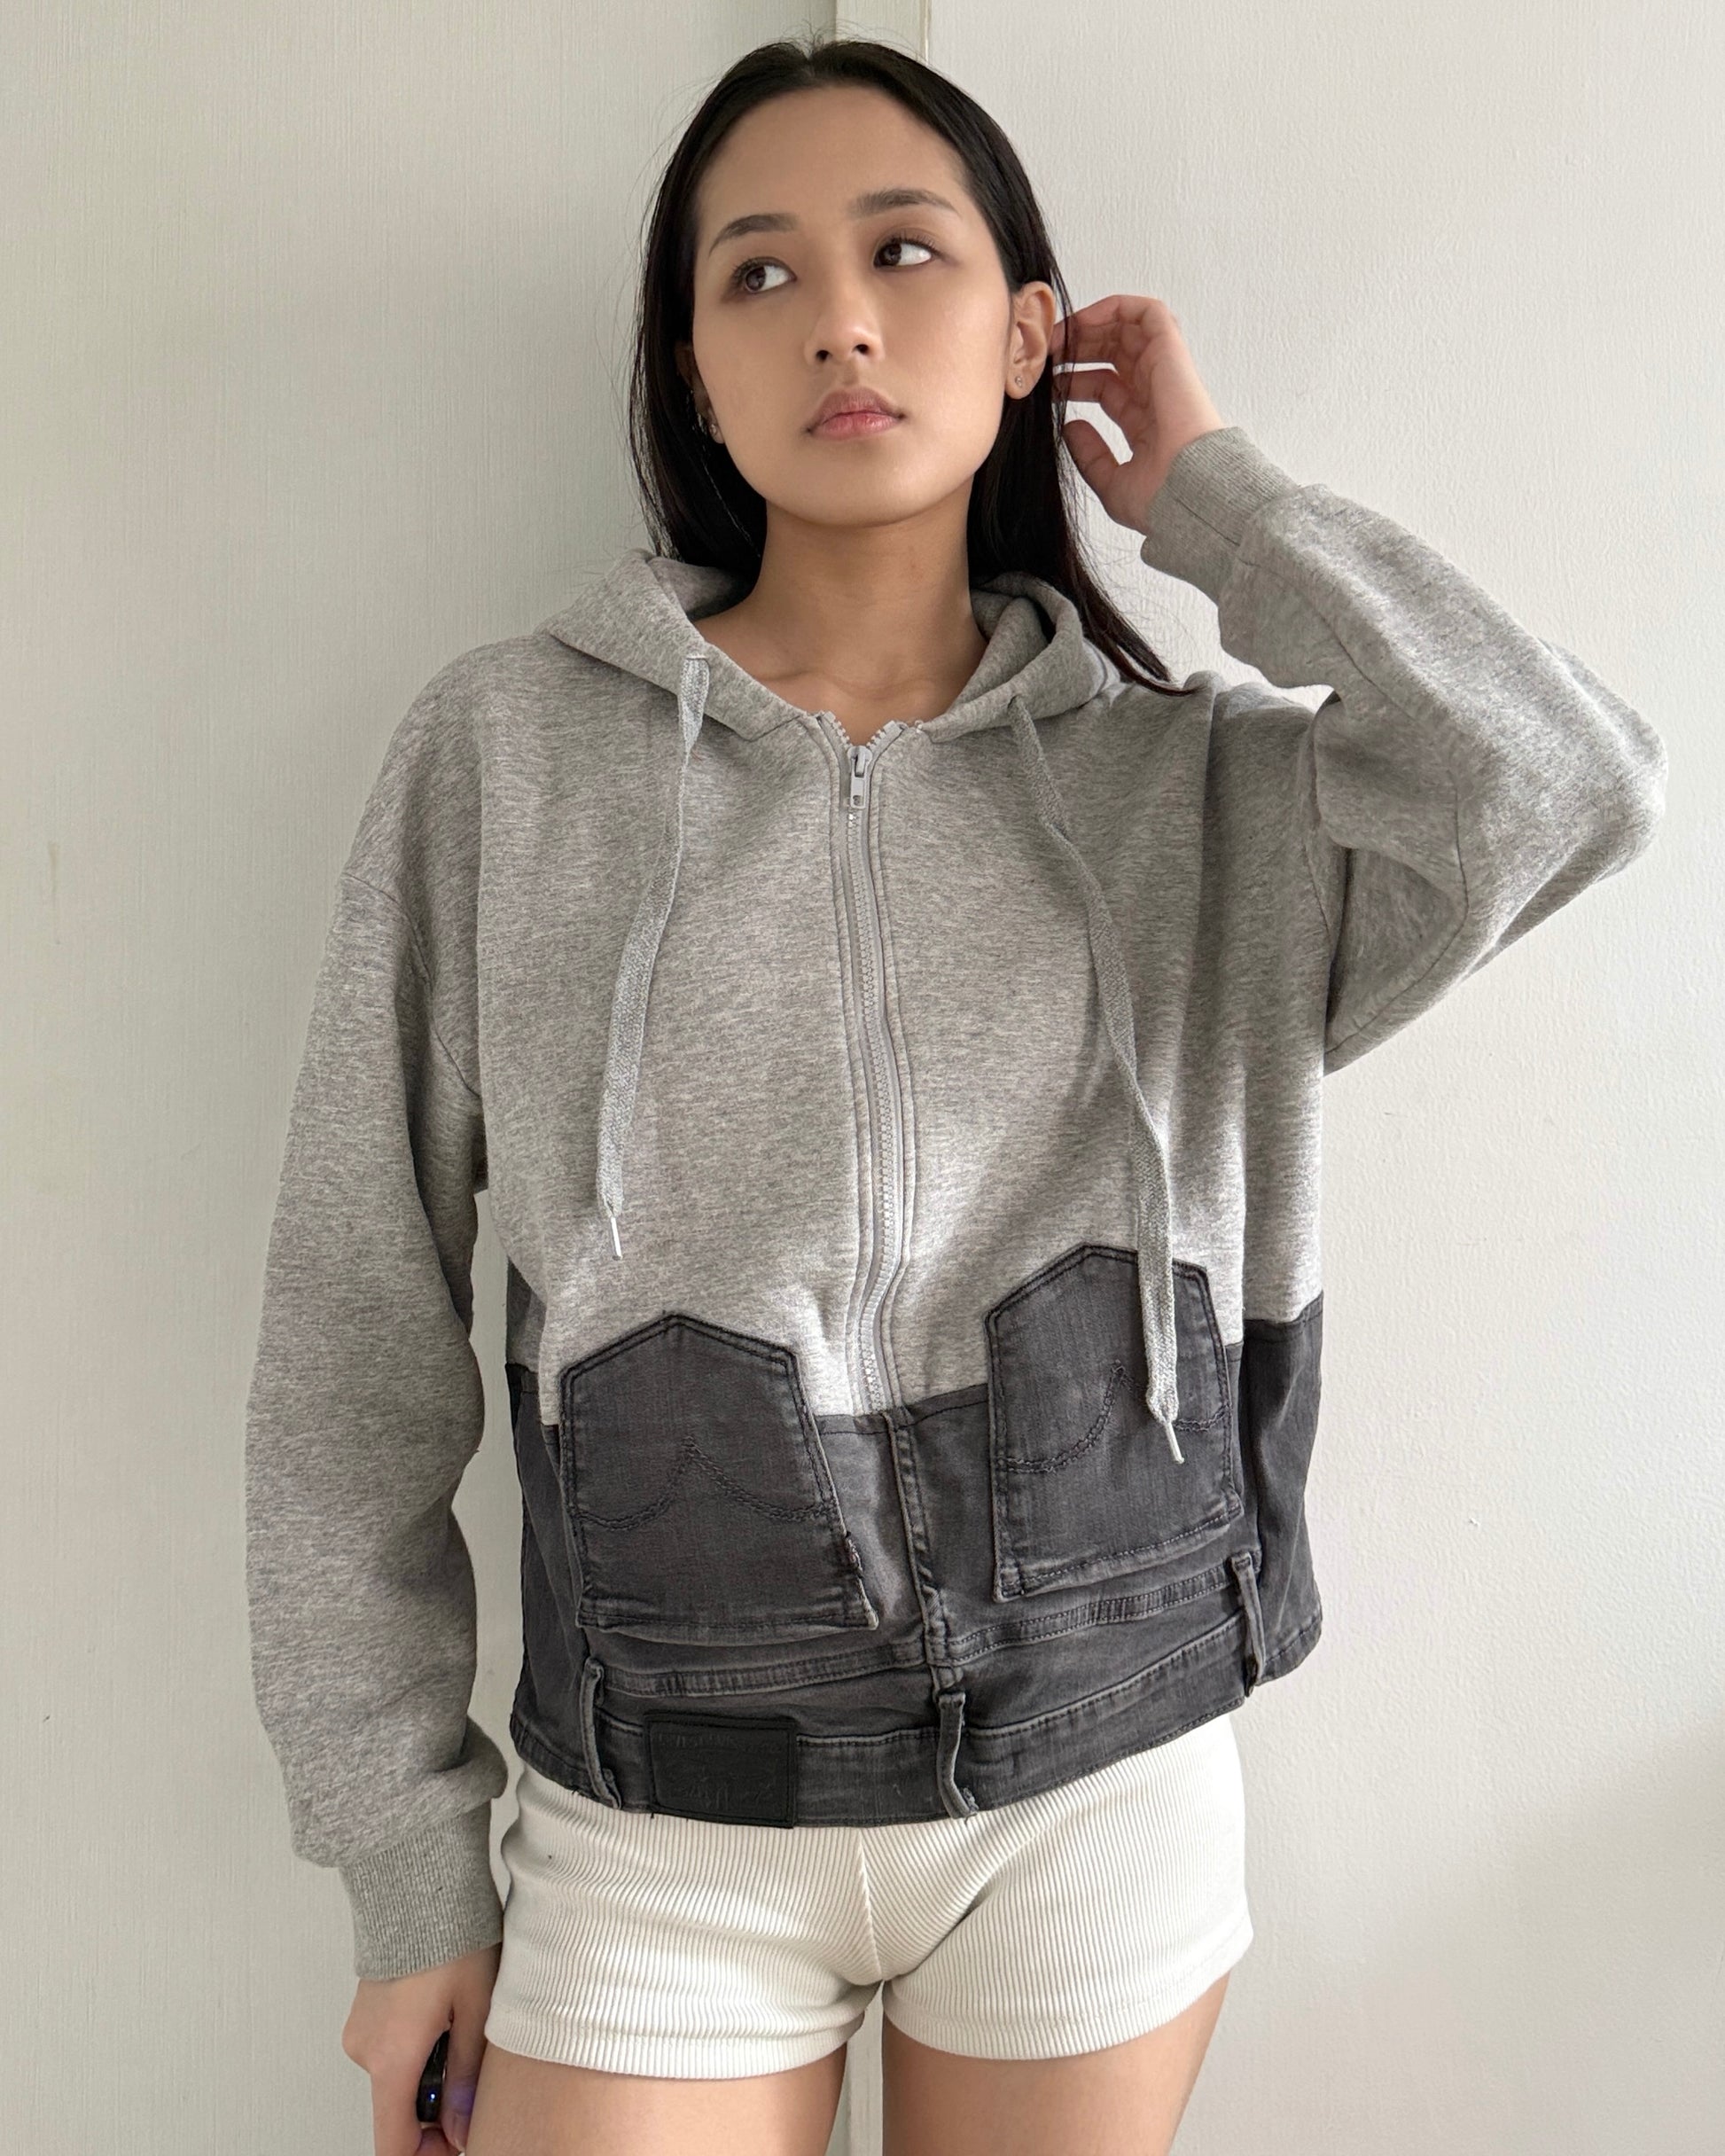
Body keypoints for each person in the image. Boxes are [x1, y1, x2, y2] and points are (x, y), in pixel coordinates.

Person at [244, 32, 1668, 2156]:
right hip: (660, 1813)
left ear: (1025, 337)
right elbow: (349, 1342)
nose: (836, 316)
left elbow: (1563, 785)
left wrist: (1213, 497)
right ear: (693, 371)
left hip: (1102, 1781)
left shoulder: (1208, 797)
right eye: (757, 272)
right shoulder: (509, 758)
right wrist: (405, 1869)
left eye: (903, 251)